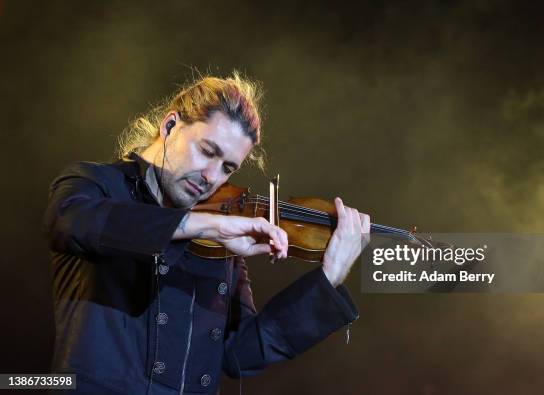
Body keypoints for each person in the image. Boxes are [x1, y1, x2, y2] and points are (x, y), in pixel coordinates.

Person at [43, 73, 370, 395]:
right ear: (170, 125)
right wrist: (201, 224)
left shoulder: (218, 241)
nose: (212, 176)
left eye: (228, 168)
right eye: (207, 151)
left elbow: (239, 354)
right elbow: (70, 222)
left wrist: (329, 278)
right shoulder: (95, 184)